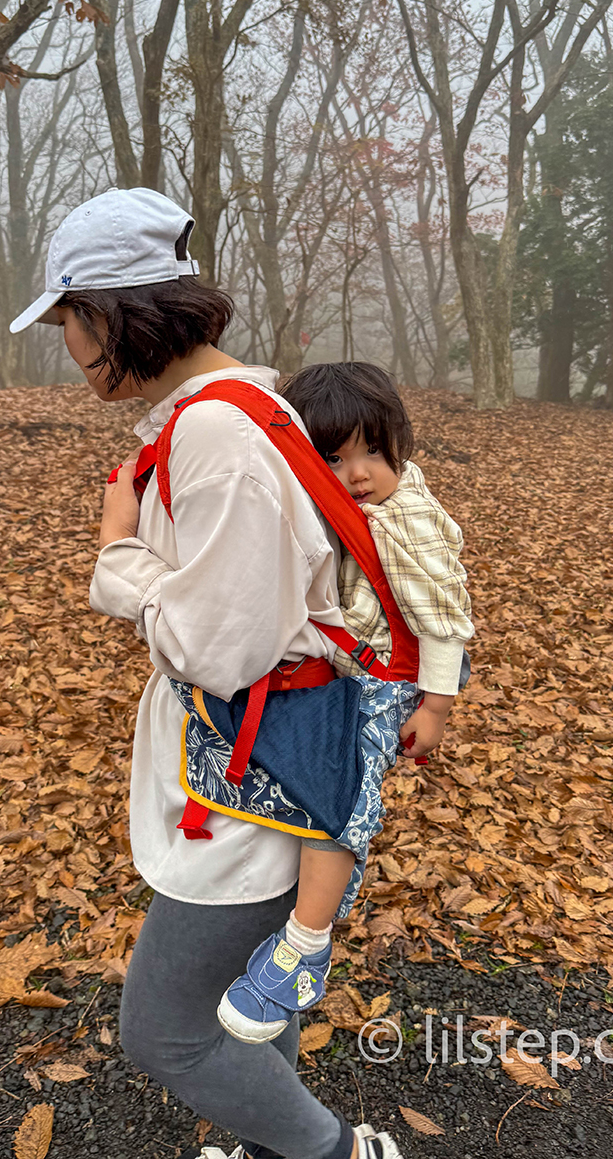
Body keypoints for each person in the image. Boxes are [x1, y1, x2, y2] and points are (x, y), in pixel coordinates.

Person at [8, 187, 404, 1159]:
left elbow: (223, 646)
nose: (67, 347)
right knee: (241, 1002)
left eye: (68, 321)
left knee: (166, 1029)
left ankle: (339, 1153)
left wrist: (117, 562)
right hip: (259, 760)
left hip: (248, 776)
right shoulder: (231, 408)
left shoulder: (218, 438)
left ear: (111, 313)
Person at [216, 363, 473, 1046]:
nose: (357, 472)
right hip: (349, 671)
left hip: (390, 681)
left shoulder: (406, 519)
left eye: (372, 451)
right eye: (333, 456)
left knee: (340, 803)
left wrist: (436, 706)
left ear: (399, 445)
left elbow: (445, 618)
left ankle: (306, 944)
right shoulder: (345, 512)